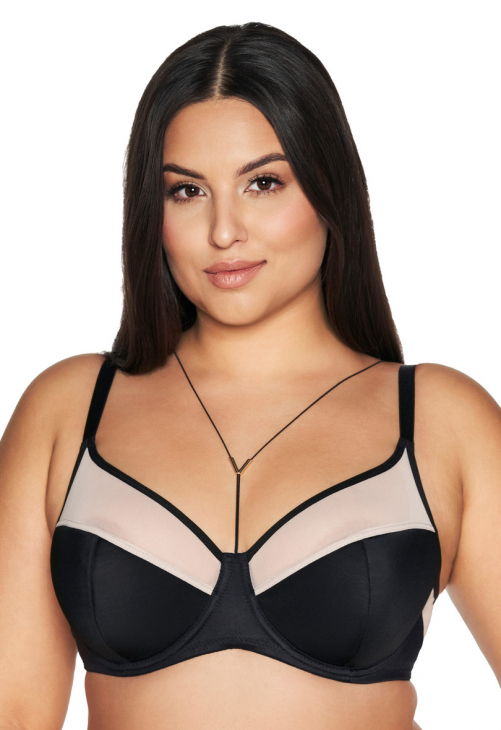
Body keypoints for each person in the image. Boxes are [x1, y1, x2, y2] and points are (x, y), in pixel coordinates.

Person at [0, 21, 499, 730]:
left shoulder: (441, 420)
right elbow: (15, 712)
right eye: (186, 191)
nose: (223, 231)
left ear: (328, 188)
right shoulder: (69, 410)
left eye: (263, 183)